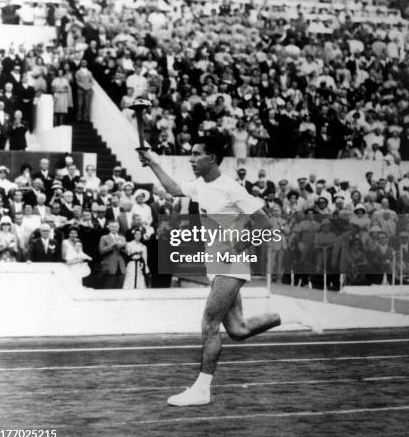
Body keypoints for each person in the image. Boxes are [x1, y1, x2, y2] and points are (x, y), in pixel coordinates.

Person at [137, 135, 322, 407]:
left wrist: (240, 245)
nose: (191, 159)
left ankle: (202, 389)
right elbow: (175, 189)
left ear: (211, 158)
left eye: (196, 154)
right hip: (217, 263)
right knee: (238, 329)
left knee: (209, 324)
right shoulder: (200, 185)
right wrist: (152, 162)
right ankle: (292, 314)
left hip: (230, 263)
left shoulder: (232, 189)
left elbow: (269, 228)